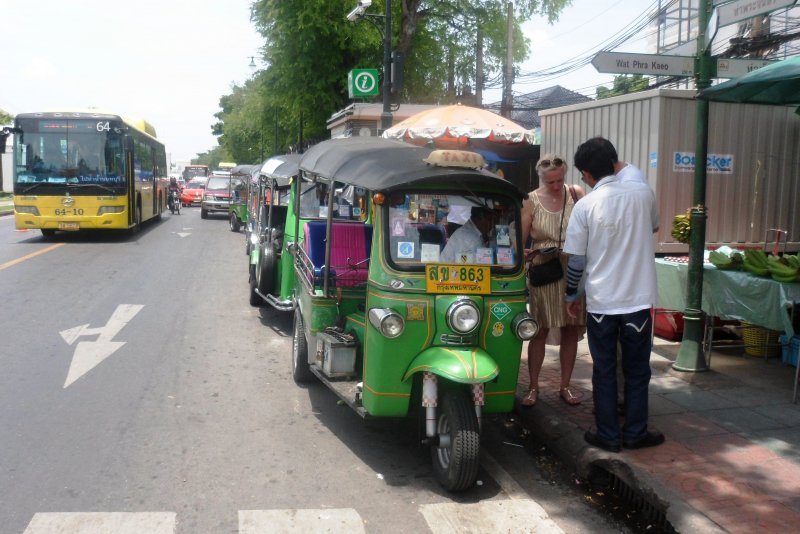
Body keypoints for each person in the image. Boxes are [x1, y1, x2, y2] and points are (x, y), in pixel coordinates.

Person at [563, 139, 663, 453]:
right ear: (614, 163)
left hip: (602, 304)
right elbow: (655, 227)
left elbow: (577, 261)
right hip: (638, 301)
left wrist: (570, 295)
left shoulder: (585, 206)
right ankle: (635, 433)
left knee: (604, 369)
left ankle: (608, 435)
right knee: (637, 371)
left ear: (587, 173)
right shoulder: (643, 193)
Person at [519, 154, 586, 407]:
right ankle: (533, 386)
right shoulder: (531, 200)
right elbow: (521, 240)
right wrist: (526, 254)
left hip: (573, 268)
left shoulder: (576, 193)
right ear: (541, 180)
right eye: (551, 183)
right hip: (545, 269)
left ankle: (565, 385)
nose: (557, 186)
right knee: (540, 328)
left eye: (560, 180)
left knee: (570, 328)